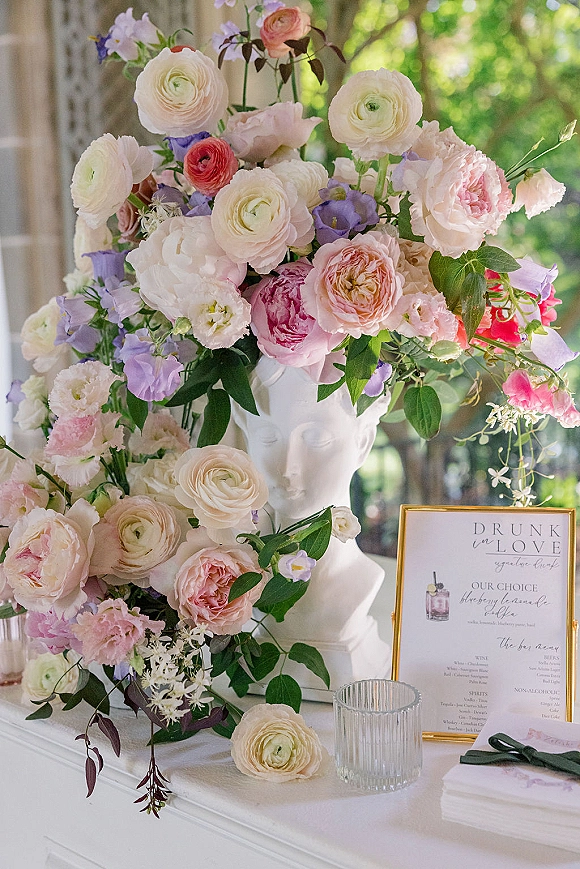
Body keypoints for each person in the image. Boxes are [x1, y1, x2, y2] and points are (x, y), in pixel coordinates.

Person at [232, 357, 391, 677]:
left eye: (316, 438)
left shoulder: (360, 583)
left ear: (362, 442)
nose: (288, 467)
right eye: (267, 437)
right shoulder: (242, 584)